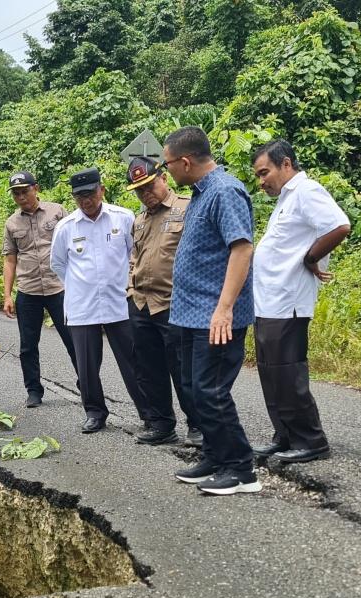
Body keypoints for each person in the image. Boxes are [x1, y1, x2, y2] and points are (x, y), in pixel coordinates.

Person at [161, 127, 259, 496]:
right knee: (194, 389)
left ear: (184, 161)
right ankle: (216, 456)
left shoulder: (224, 191)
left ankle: (241, 469)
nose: (167, 171)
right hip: (190, 313)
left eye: (168, 164)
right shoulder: (201, 193)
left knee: (212, 391)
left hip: (214, 316)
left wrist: (224, 309)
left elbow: (241, 250)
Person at [250, 139, 350, 464]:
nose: (261, 180)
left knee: (287, 373)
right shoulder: (286, 199)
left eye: (265, 172)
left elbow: (339, 225)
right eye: (258, 175)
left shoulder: (306, 191)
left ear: (287, 164)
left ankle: (311, 440)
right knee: (270, 372)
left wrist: (311, 257)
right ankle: (285, 435)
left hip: (288, 301)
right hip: (269, 302)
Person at [51, 167, 151, 433]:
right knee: (86, 366)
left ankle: (149, 413)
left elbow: (135, 256)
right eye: (79, 196)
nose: (86, 200)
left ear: (101, 190)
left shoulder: (123, 218)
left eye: (90, 193)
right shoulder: (65, 227)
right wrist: (81, 286)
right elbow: (58, 264)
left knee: (134, 362)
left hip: (120, 303)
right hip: (82, 307)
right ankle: (95, 412)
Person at [125, 156, 202, 447]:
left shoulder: (187, 208)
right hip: (142, 303)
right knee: (148, 368)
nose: (145, 194)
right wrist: (130, 288)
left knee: (183, 368)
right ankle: (161, 424)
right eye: (139, 190)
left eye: (149, 186)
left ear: (164, 178)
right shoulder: (140, 219)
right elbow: (135, 256)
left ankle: (197, 425)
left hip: (174, 303)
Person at [1, 170, 78, 408]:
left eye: (24, 191)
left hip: (59, 287)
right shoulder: (12, 223)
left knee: (73, 340)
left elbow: (75, 244)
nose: (21, 197)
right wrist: (7, 295)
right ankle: (33, 390)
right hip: (29, 290)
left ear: (36, 188)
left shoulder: (58, 212)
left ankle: (86, 385)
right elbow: (9, 259)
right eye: (16, 193)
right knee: (28, 345)